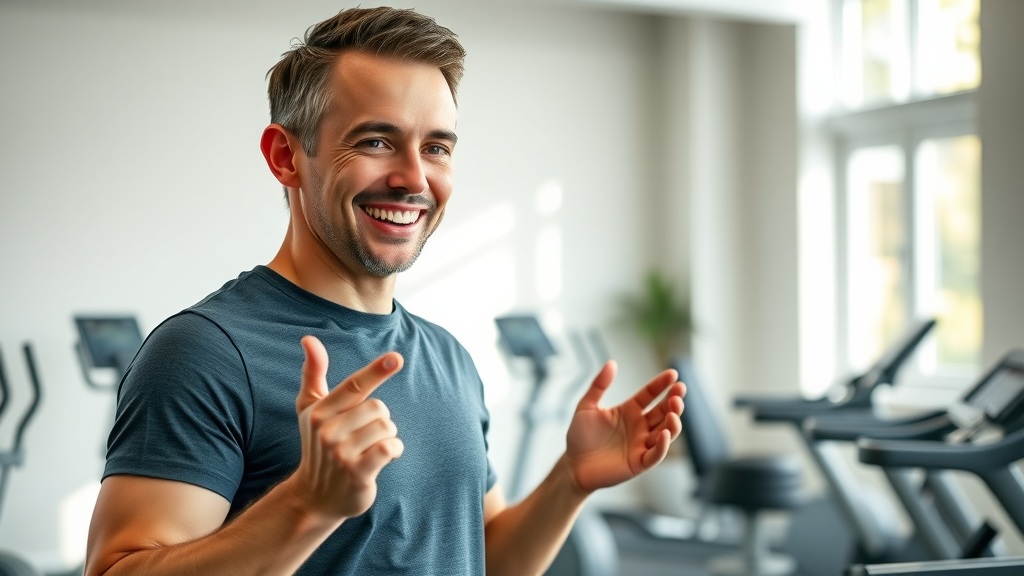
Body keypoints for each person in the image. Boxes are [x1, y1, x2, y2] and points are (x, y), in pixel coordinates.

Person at [84, 7, 686, 576]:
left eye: (436, 148)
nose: (414, 178)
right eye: (375, 141)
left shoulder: (447, 357)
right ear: (286, 156)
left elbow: (481, 557)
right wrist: (304, 506)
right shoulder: (205, 352)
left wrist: (570, 481)